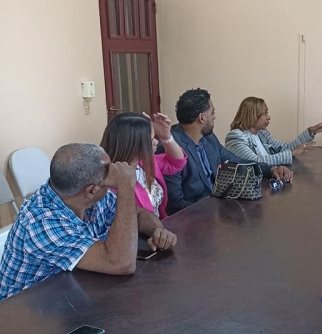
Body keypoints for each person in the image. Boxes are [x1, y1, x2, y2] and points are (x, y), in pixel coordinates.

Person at [0, 143, 177, 300]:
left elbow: (136, 214)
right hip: (22, 314)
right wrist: (125, 186)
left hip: (69, 292)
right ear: (91, 191)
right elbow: (121, 263)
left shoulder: (84, 197)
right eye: (110, 172)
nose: (115, 172)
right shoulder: (41, 223)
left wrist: (156, 230)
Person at [161, 88, 293, 215]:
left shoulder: (209, 138)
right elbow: (175, 206)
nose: (215, 117)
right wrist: (217, 212)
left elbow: (237, 161)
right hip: (195, 222)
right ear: (201, 118)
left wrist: (271, 169)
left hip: (218, 212)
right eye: (212, 113)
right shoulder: (170, 147)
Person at [100, 112, 187, 220]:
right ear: (133, 145)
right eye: (150, 140)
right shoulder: (110, 182)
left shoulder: (143, 162)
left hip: (160, 227)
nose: (156, 142)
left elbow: (176, 163)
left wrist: (166, 136)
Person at [224, 96, 322, 166]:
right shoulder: (236, 136)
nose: (269, 117)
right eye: (265, 113)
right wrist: (292, 153)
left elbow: (285, 148)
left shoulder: (262, 133)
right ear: (252, 115)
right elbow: (255, 162)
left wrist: (311, 131)